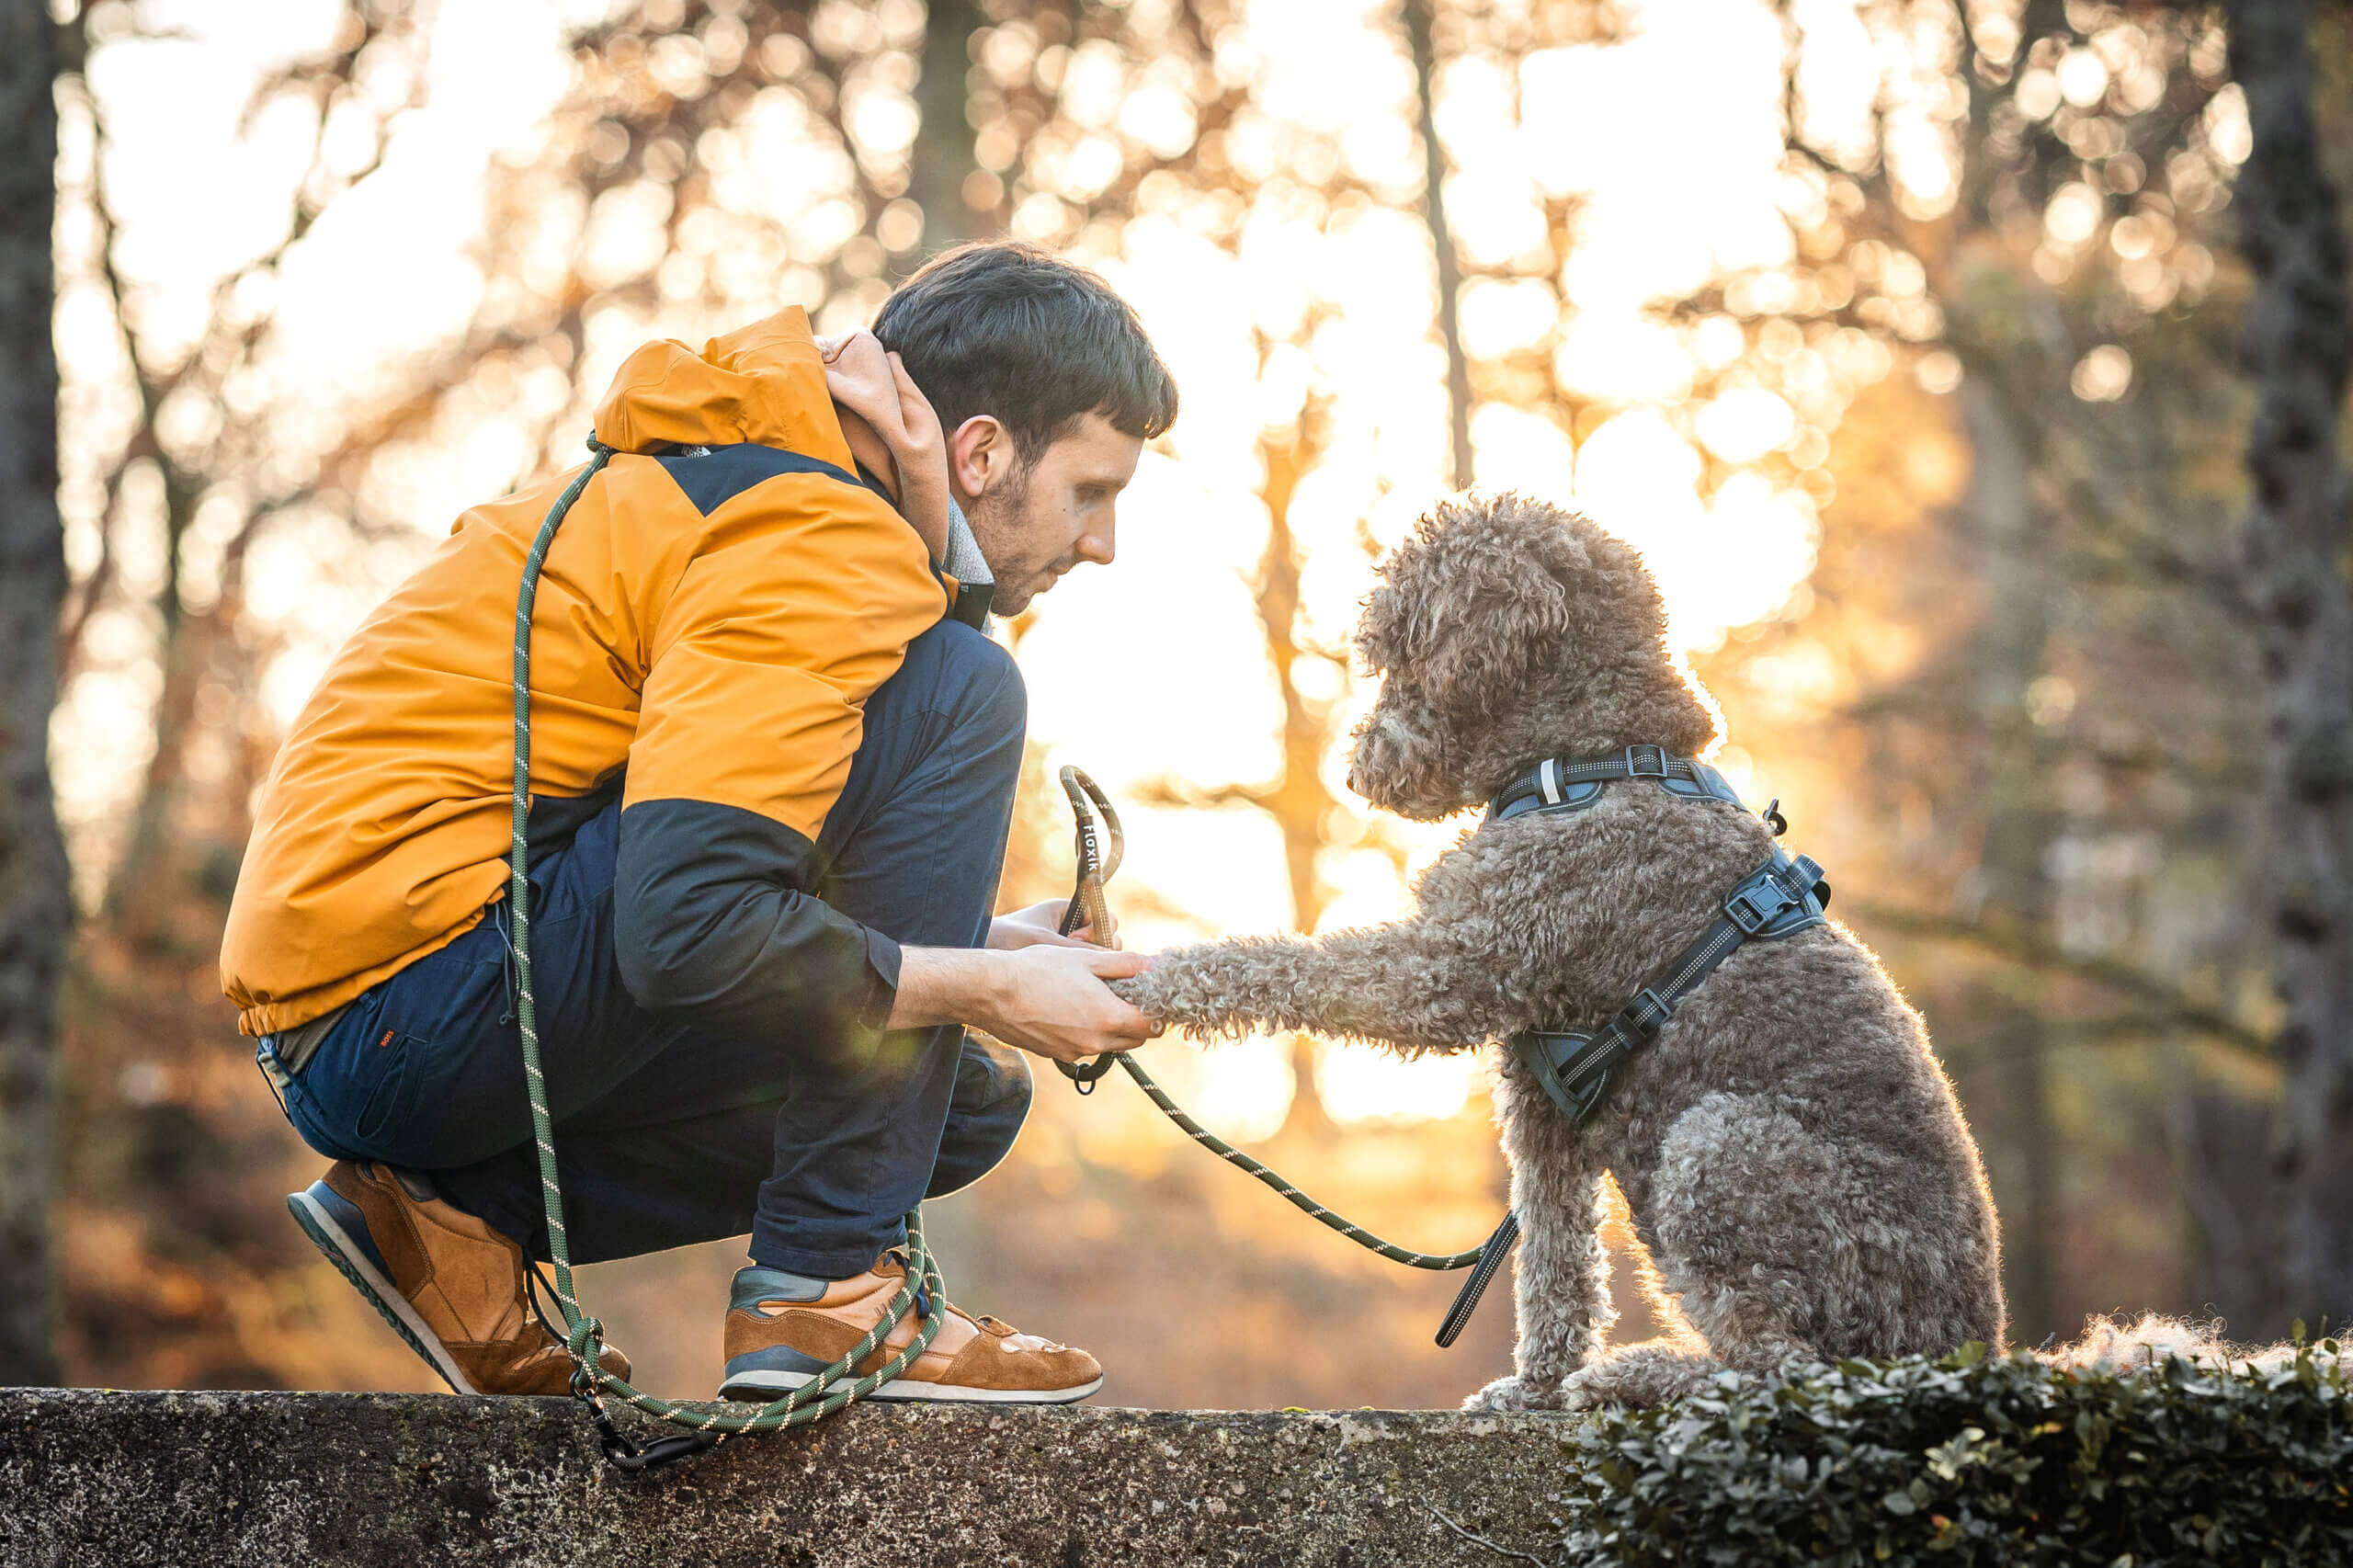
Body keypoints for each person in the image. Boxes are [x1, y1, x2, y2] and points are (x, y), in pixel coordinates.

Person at [219, 242, 1176, 1403]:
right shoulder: (820, 532)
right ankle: (828, 1291)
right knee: (962, 688)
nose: (1102, 543)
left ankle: (454, 1221)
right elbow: (688, 927)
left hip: (380, 1017)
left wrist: (990, 946)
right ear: (979, 452)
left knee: (964, 1101)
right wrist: (983, 987)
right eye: (1092, 490)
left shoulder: (760, 485)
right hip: (415, 995)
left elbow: (723, 844)